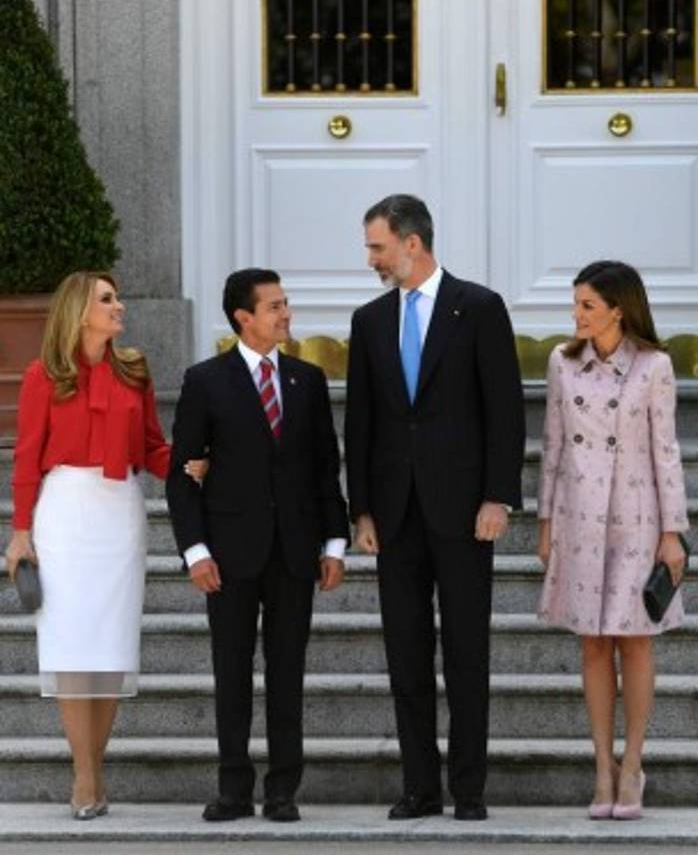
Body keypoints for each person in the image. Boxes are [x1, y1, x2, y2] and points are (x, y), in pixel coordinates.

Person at [344, 194, 525, 821]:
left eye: (377, 247)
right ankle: (419, 787)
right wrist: (362, 510)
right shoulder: (369, 320)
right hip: (395, 515)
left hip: (466, 511)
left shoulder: (479, 307)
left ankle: (468, 789)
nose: (371, 259)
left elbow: (505, 410)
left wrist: (498, 496)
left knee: (467, 653)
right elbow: (360, 422)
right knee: (407, 656)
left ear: (412, 243)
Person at [4, 271, 205, 819]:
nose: (119, 307)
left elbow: (152, 447)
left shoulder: (133, 370)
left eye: (117, 298)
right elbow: (26, 458)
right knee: (72, 647)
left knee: (111, 649)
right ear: (79, 311)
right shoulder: (44, 375)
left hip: (119, 516)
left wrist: (192, 466)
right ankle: (86, 776)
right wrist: (20, 532)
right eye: (107, 299)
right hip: (65, 517)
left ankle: (94, 768)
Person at [166, 268, 348, 823]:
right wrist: (195, 551)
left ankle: (282, 790)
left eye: (285, 303)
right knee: (231, 672)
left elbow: (325, 467)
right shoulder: (205, 381)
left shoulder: (307, 379)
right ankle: (233, 790)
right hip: (228, 554)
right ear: (244, 318)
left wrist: (334, 543)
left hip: (295, 551)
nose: (286, 314)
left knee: (288, 672)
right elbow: (181, 475)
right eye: (274, 306)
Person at [537, 260, 689, 820]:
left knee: (635, 641)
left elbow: (666, 452)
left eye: (588, 306)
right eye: (575, 304)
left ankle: (633, 766)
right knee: (593, 644)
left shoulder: (654, 366)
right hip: (578, 517)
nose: (577, 315)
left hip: (636, 519)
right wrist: (546, 526)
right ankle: (602, 767)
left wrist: (673, 534)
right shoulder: (562, 361)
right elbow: (553, 445)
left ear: (618, 311)